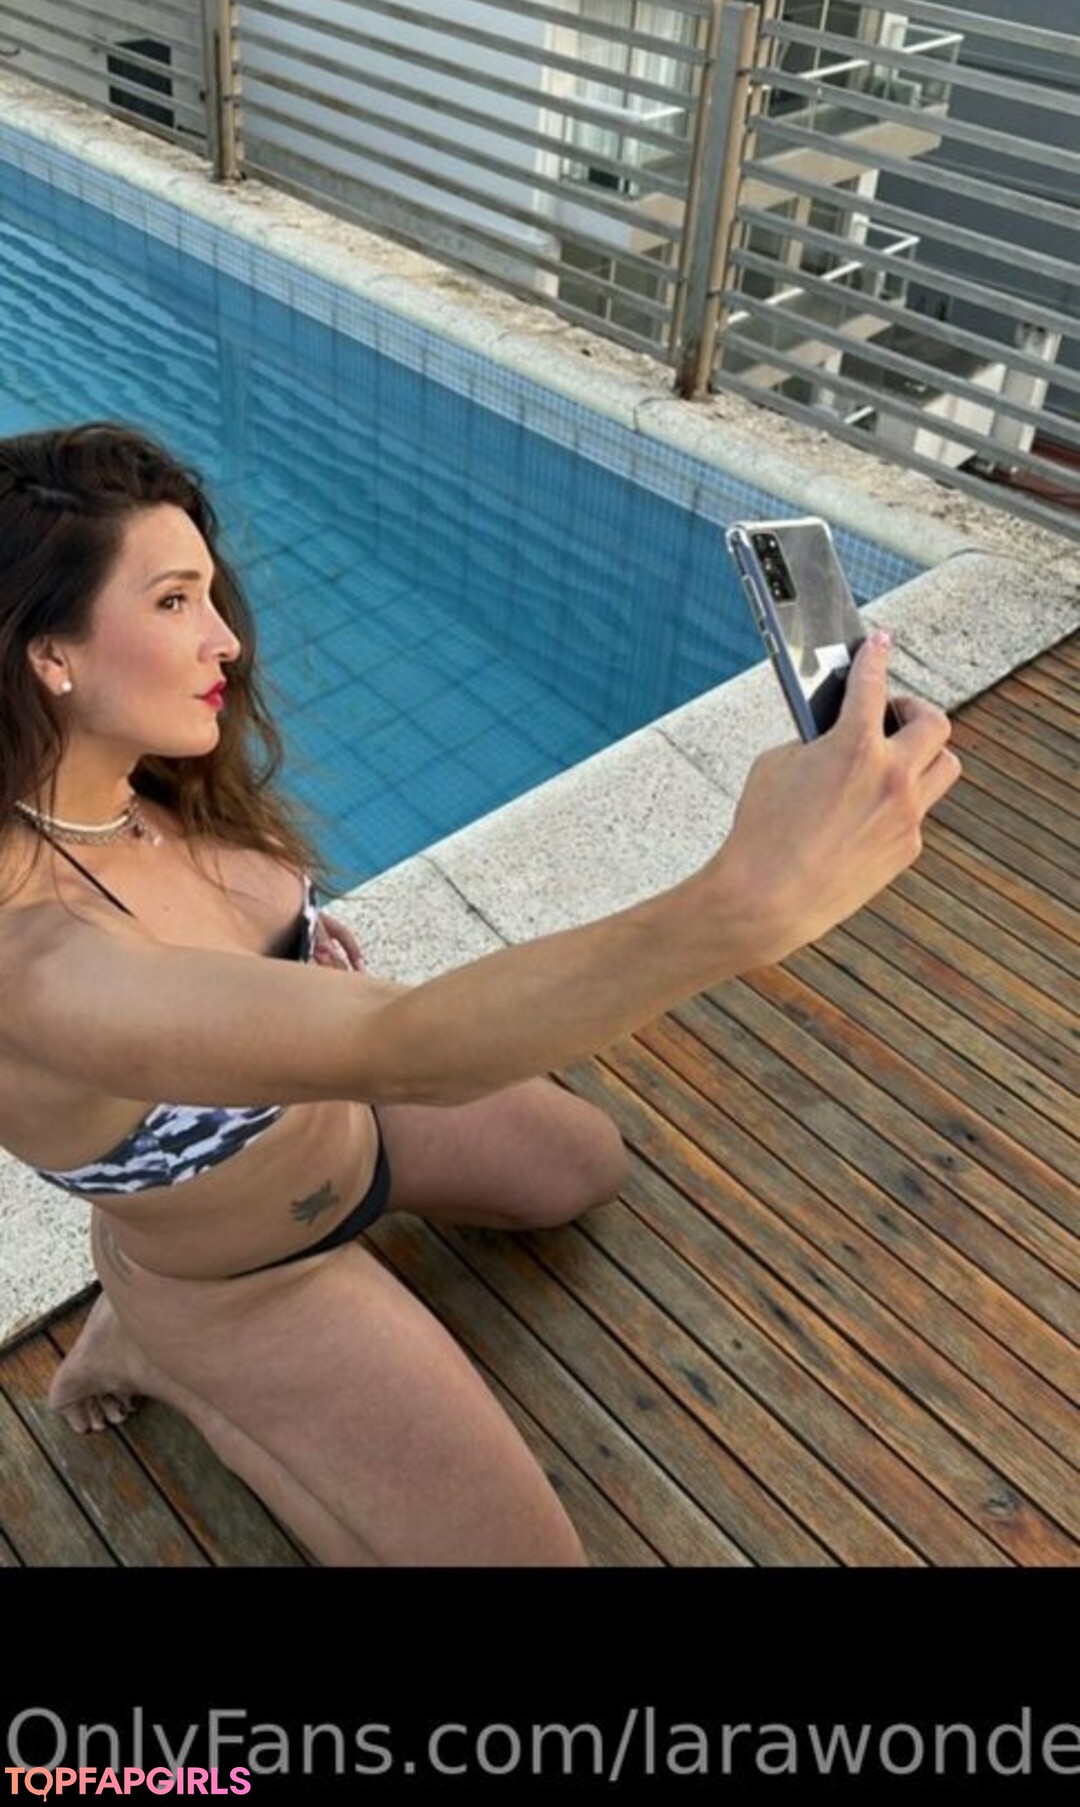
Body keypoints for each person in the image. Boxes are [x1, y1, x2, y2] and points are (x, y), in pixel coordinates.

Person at [0, 421, 960, 1568]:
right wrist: (744, 904)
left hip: (358, 1126)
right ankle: (163, 1348)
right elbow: (408, 1041)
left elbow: (323, 1017)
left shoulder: (140, 779)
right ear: (49, 654)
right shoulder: (39, 963)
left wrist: (298, 953)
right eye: (172, 601)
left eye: (209, 591)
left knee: (585, 1168)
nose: (227, 639)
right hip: (240, 1277)